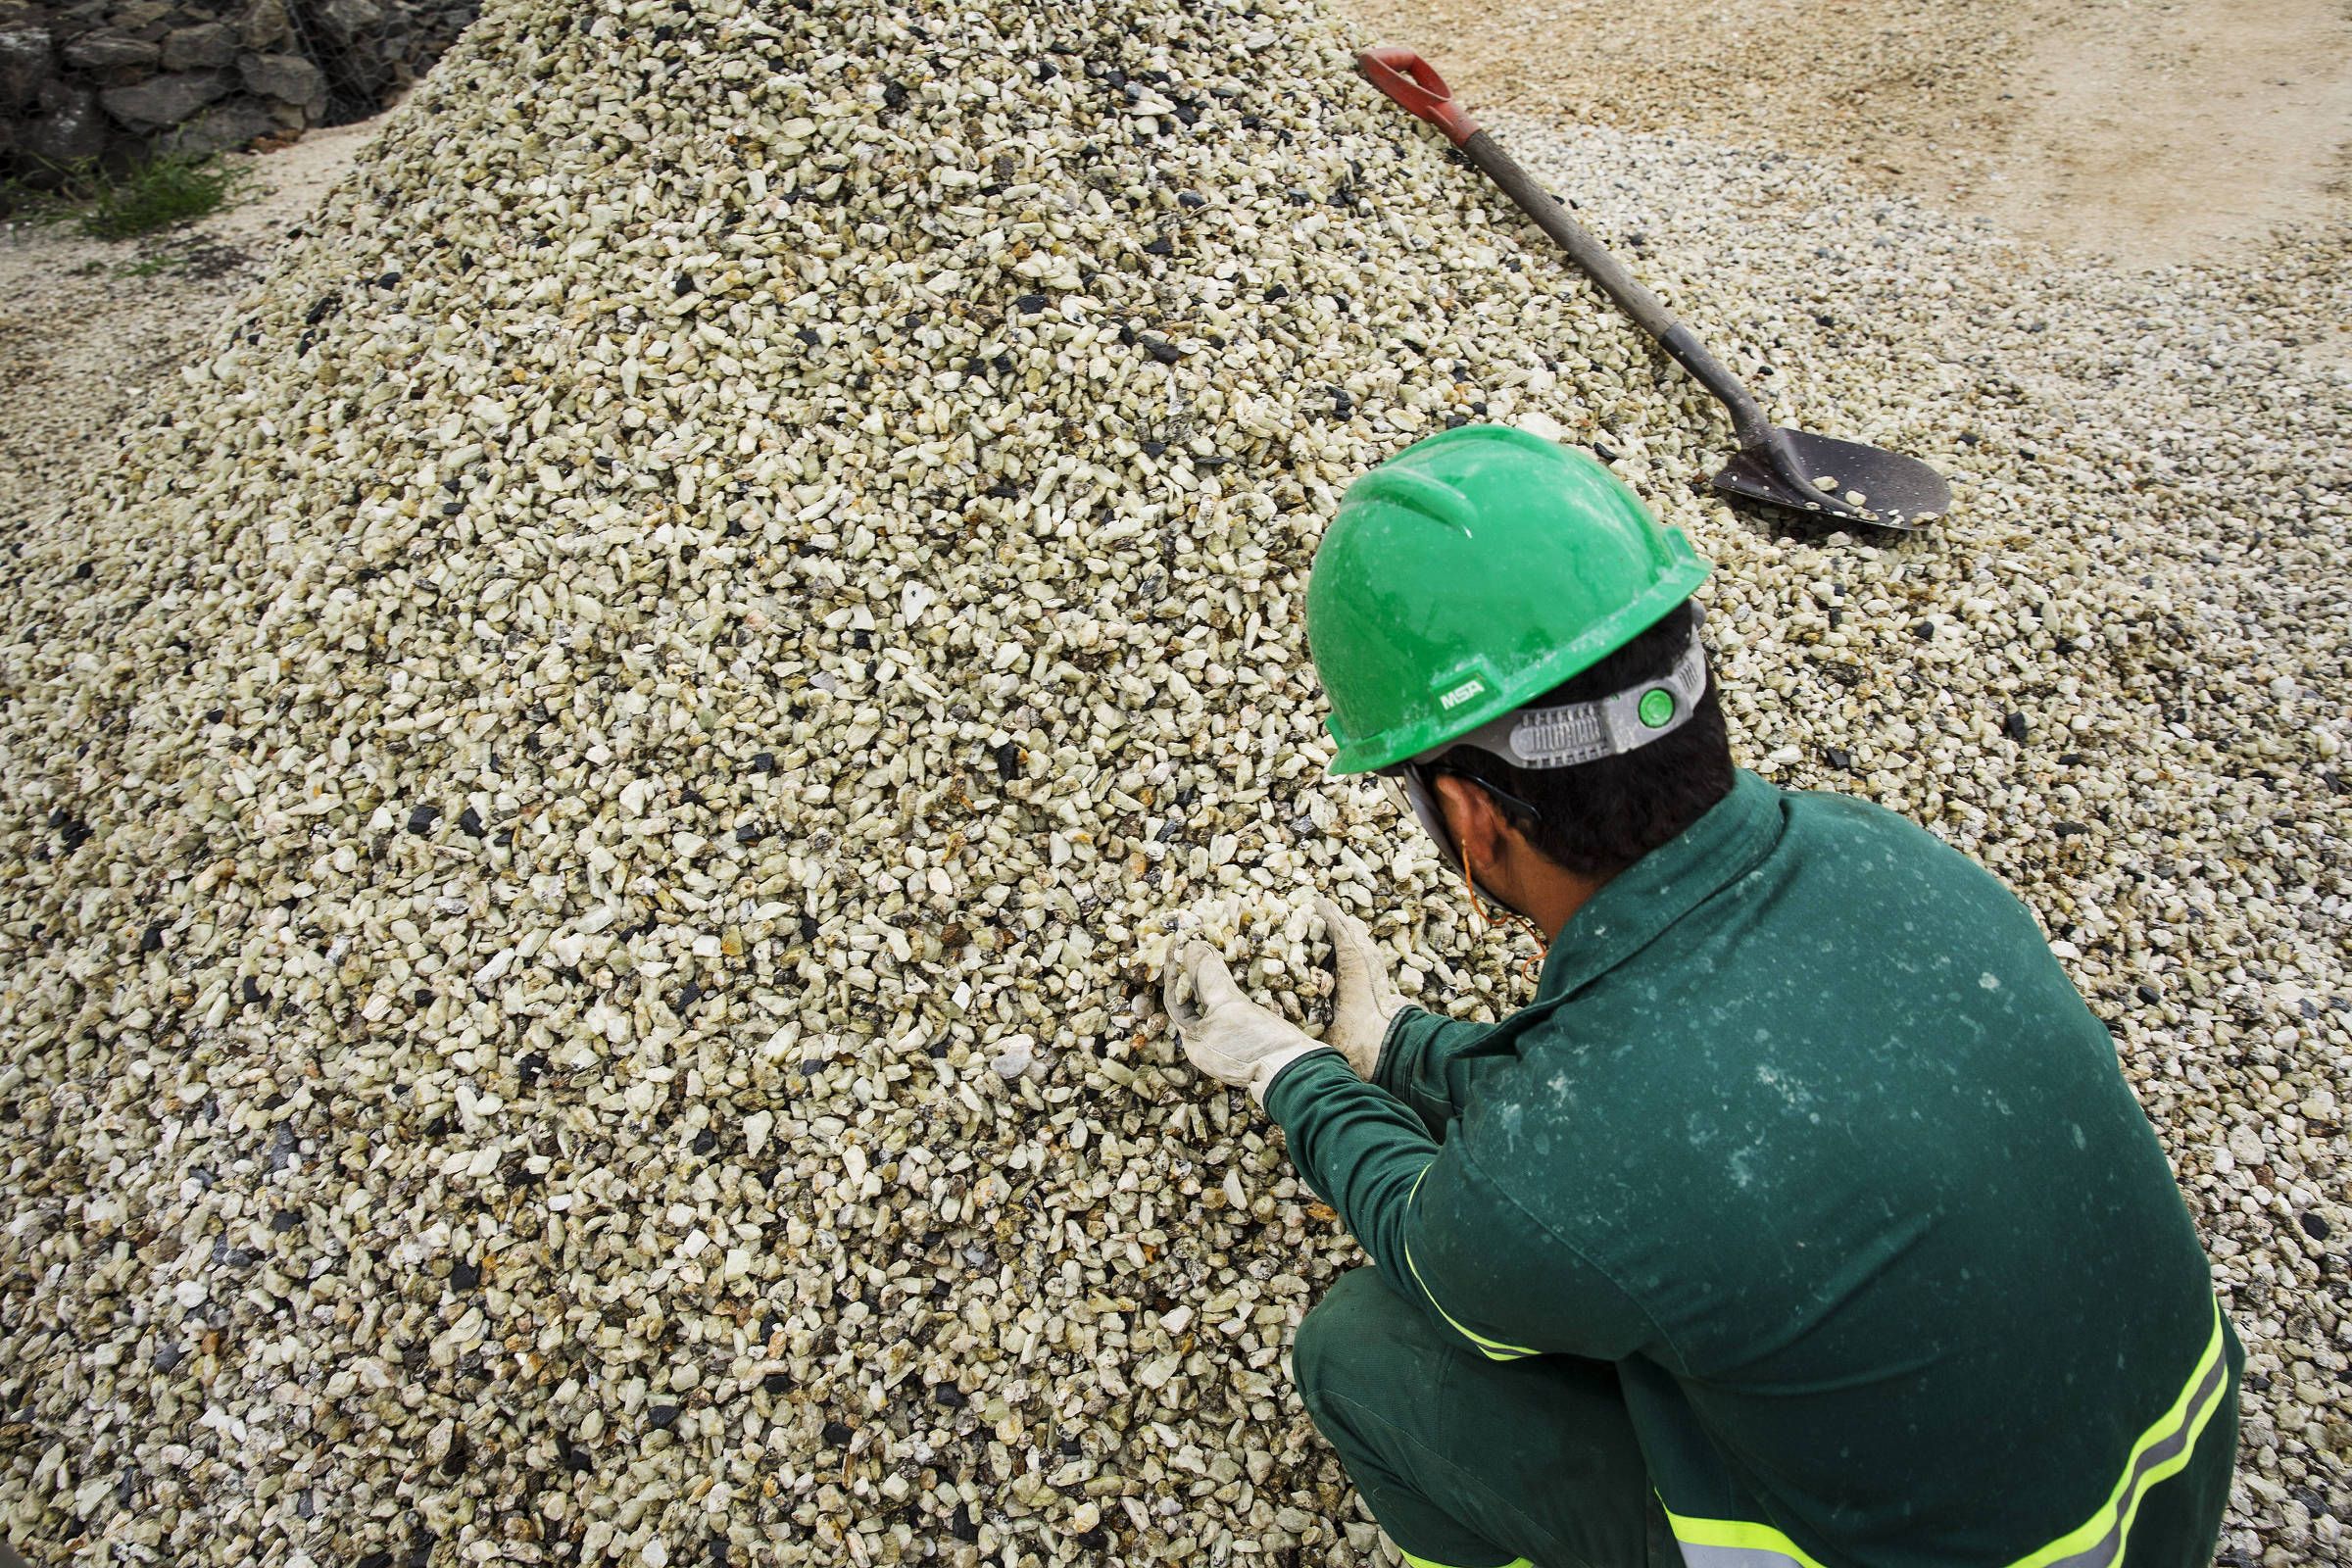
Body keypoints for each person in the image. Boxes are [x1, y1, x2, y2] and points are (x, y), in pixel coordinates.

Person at [1158, 425, 2240, 1568]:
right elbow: (1671, 1106)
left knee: (1360, 1350)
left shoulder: (1584, 1146)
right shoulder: (1888, 850)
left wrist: (1297, 1074)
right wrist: (1403, 1047)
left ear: (1472, 820)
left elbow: (1441, 1246)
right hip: (2172, 1491)